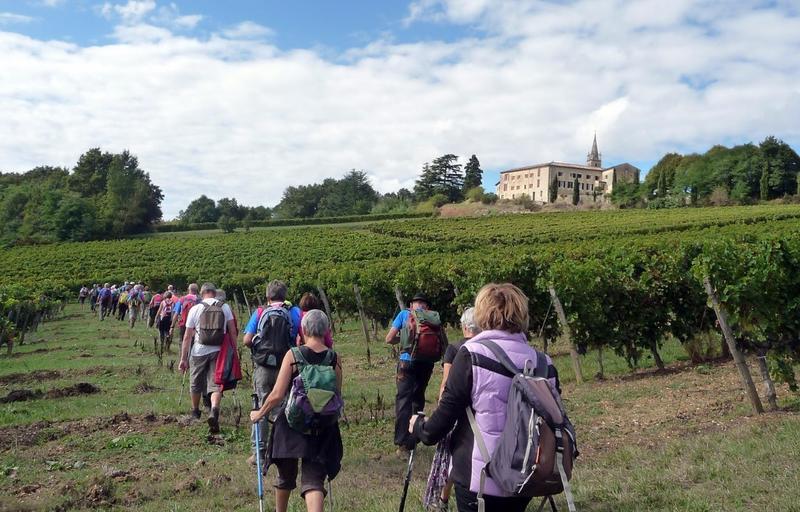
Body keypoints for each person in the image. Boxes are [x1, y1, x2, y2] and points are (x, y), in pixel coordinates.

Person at [409, 283, 561, 512]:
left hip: (480, 479)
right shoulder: (544, 363)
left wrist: (419, 426)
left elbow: (443, 419)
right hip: (527, 475)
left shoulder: (472, 355)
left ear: (482, 314)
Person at [249, 310, 343, 512]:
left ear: (304, 329)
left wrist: (259, 414)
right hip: (322, 426)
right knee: (314, 479)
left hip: (292, 424)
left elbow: (277, 394)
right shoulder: (334, 358)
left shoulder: (294, 355)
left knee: (285, 475)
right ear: (326, 330)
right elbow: (337, 394)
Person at [426, 307, 480, 511]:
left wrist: (442, 406)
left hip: (457, 409)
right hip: (479, 413)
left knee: (450, 455)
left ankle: (443, 498)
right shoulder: (487, 349)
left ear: (464, 326)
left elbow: (446, 383)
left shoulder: (455, 348)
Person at [243, 280, 302, 465]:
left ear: (267, 296)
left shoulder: (260, 312)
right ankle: (282, 450)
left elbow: (246, 340)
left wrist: (259, 346)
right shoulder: (295, 312)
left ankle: (258, 453)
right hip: (286, 365)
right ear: (285, 295)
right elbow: (302, 338)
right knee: (283, 408)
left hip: (263, 367)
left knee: (261, 407)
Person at [385, 293, 445, 459]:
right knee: (418, 399)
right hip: (427, 362)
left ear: (412, 305)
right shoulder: (433, 317)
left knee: (403, 401)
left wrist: (405, 340)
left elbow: (389, 339)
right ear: (427, 306)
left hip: (407, 362)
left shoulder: (404, 314)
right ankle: (414, 439)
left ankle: (402, 444)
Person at [179, 282, 238, 434]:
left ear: (202, 293)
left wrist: (183, 358)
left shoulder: (195, 308)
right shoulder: (225, 307)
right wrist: (234, 350)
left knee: (195, 381)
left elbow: (187, 336)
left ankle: (195, 411)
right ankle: (214, 409)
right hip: (219, 350)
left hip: (199, 350)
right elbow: (232, 331)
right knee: (216, 382)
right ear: (214, 293)